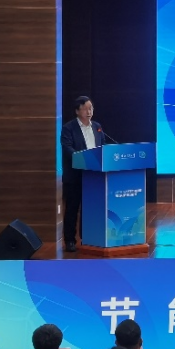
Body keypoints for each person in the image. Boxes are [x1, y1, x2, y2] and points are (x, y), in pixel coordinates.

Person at [60, 96, 106, 252]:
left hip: (94, 176)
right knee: (72, 209)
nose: (89, 111)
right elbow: (67, 148)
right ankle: (69, 240)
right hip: (75, 176)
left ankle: (87, 237)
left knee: (90, 208)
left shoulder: (97, 127)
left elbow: (103, 146)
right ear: (77, 111)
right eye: (85, 108)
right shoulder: (68, 128)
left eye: (91, 108)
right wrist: (83, 159)